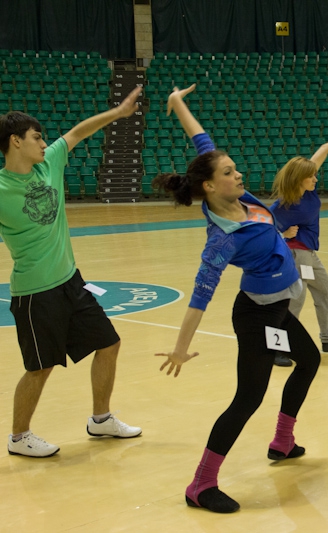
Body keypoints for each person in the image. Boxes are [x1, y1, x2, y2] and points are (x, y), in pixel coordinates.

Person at [154, 84, 320, 513]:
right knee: (248, 397)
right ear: (209, 187)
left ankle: (283, 441)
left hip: (279, 310)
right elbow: (199, 297)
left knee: (310, 360)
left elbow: (200, 139)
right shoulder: (220, 240)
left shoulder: (241, 200)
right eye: (228, 173)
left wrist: (178, 104)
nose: (237, 174)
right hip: (258, 317)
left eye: (234, 168)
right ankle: (201, 484)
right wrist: (179, 346)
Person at [1, 90, 143, 458]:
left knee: (109, 344)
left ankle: (101, 419)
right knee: (40, 367)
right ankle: (19, 438)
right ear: (15, 141)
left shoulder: (49, 163)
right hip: (34, 293)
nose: (44, 143)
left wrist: (120, 111)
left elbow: (78, 132)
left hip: (71, 282)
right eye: (36, 137)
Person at [269, 119, 328, 364]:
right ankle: (278, 349)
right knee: (294, 301)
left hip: (309, 254)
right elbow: (261, 231)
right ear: (298, 178)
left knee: (324, 290)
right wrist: (282, 235)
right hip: (294, 256)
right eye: (310, 176)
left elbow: (324, 149)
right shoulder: (281, 205)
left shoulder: (308, 191)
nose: (315, 179)